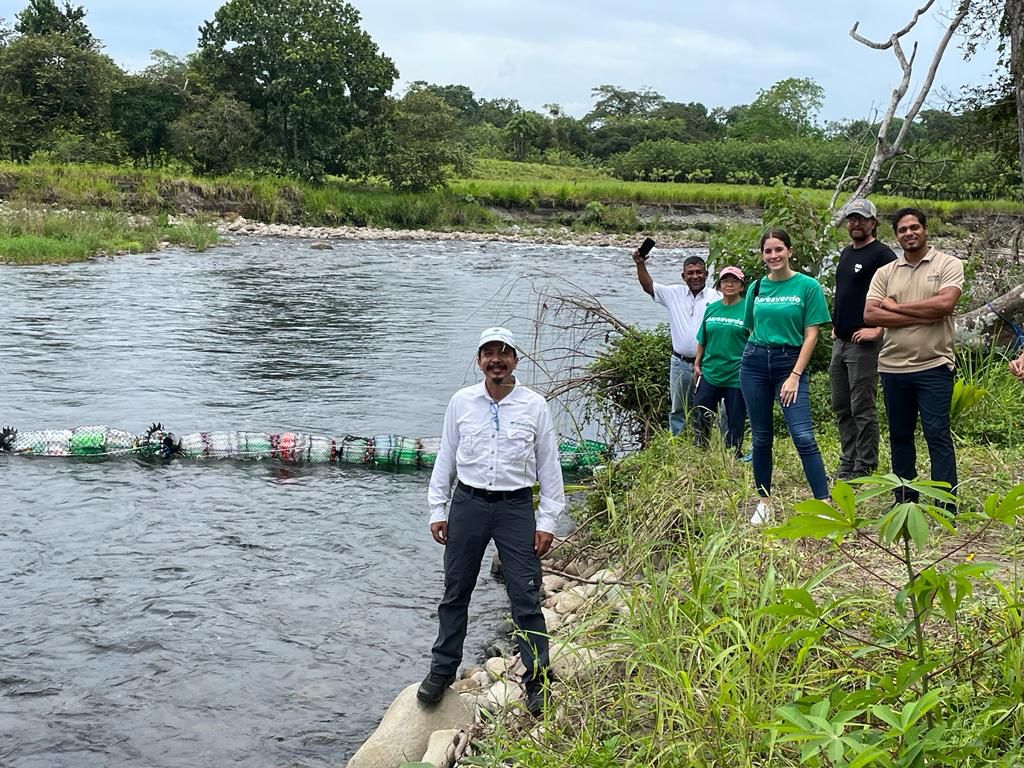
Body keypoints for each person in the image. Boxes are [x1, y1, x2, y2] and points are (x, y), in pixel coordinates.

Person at [419, 327, 565, 717]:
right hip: (467, 504)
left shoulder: (534, 406)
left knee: (525, 596)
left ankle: (538, 680)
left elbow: (550, 466)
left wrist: (547, 520)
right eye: (488, 354)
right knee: (455, 592)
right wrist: (438, 509)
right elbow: (445, 458)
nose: (496, 360)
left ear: (516, 360)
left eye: (504, 353)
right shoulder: (461, 402)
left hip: (516, 507)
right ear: (479, 360)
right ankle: (442, 669)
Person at [864, 208, 963, 507]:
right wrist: (923, 313)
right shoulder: (886, 272)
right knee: (900, 436)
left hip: (934, 364)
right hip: (893, 367)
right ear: (896, 235)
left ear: (925, 229)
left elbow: (945, 305)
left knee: (937, 435)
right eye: (902, 230)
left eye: (914, 227)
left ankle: (946, 504)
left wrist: (894, 309)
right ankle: (905, 500)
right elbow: (870, 314)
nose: (909, 233)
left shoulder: (949, 263)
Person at [739, 230, 832, 524]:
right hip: (754, 362)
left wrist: (794, 374)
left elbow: (812, 334)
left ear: (790, 251)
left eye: (779, 249)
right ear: (762, 255)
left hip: (789, 363)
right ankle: (764, 502)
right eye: (768, 251)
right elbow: (750, 328)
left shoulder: (808, 286)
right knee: (761, 437)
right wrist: (760, 351)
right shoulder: (755, 288)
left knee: (802, 435)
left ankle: (824, 503)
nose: (774, 256)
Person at [829, 198, 897, 480]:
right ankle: (849, 459)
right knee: (841, 405)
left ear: (873, 222)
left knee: (862, 406)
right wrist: (836, 325)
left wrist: (878, 329)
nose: (856, 223)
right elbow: (844, 293)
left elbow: (896, 297)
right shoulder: (846, 253)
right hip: (841, 341)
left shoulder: (883, 256)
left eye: (861, 219)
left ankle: (865, 464)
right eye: (851, 219)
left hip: (864, 344)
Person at [633, 250, 720, 435]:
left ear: (706, 274)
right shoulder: (673, 293)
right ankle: (678, 446)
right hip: (679, 363)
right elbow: (649, 286)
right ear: (683, 276)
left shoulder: (716, 298)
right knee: (678, 410)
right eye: (690, 273)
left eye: (699, 272)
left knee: (706, 409)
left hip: (708, 364)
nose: (695, 276)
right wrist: (640, 263)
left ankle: (704, 446)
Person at [693, 266, 749, 456]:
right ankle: (700, 453)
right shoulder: (712, 309)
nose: (730, 284)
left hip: (737, 375)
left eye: (734, 281)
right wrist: (697, 363)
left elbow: (756, 340)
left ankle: (733, 455)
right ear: (719, 285)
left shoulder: (749, 309)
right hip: (711, 372)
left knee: (735, 420)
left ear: (742, 286)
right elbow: (703, 339)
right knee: (701, 413)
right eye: (725, 281)